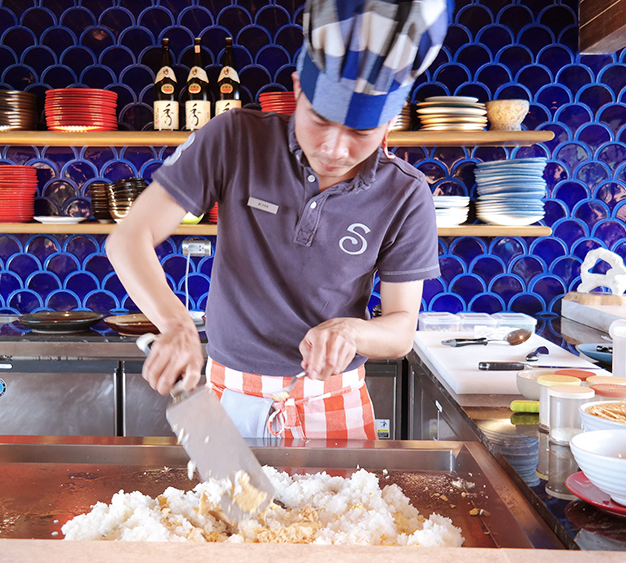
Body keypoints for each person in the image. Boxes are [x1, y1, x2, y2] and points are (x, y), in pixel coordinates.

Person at [106, 0, 451, 440]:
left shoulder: (406, 192)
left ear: (389, 124)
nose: (334, 149)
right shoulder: (234, 138)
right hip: (228, 395)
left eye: (361, 133)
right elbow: (129, 238)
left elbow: (401, 329)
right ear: (298, 89)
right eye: (320, 121)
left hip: (333, 400)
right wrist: (175, 323)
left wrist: (351, 331)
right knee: (219, 491)